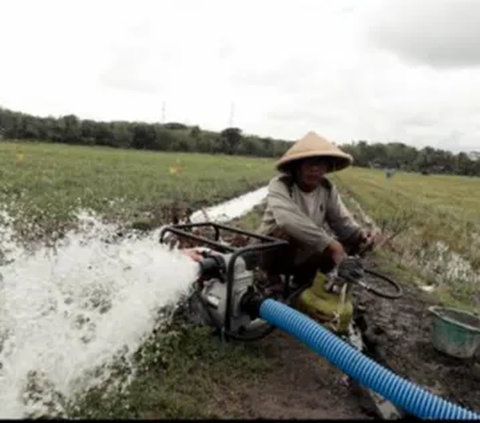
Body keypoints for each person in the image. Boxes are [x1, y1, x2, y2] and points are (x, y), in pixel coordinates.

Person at [256, 131, 379, 291]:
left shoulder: (327, 189)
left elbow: (341, 221)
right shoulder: (280, 185)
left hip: (304, 250)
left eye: (319, 164)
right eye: (308, 163)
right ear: (298, 166)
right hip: (273, 252)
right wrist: (330, 244)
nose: (314, 169)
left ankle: (304, 281)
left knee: (353, 241)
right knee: (283, 232)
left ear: (327, 167)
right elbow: (286, 220)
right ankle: (272, 279)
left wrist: (360, 235)